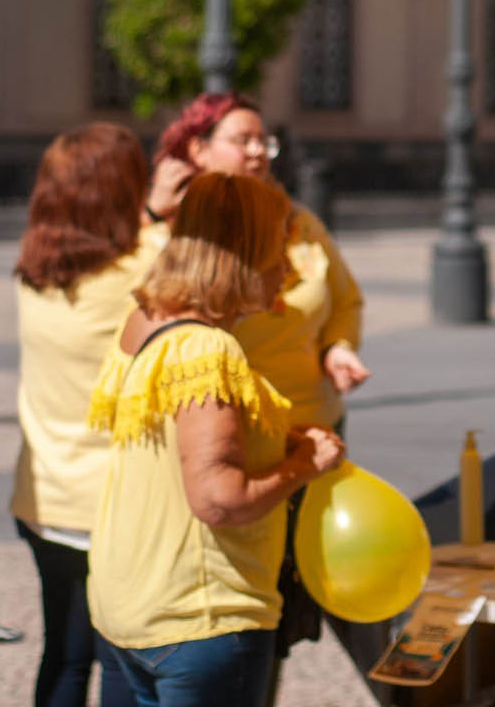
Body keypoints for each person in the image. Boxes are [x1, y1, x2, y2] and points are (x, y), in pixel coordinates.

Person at [86, 172, 345, 707]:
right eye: (278, 249)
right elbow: (219, 500)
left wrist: (271, 443)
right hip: (199, 617)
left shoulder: (143, 320)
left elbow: (169, 442)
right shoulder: (209, 351)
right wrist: (306, 464)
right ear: (243, 254)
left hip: (127, 604)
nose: (288, 268)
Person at [149, 93, 368, 688]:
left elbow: (343, 298)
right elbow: (149, 311)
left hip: (312, 429)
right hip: (230, 435)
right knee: (233, 588)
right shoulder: (179, 233)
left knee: (281, 602)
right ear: (197, 149)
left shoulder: (297, 221)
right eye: (241, 139)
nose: (256, 152)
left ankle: (255, 683)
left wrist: (336, 347)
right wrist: (151, 216)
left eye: (262, 142)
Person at [12, 123, 162, 707]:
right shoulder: (145, 266)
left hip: (45, 499)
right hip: (117, 506)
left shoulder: (34, 274)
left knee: (65, 657)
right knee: (122, 661)